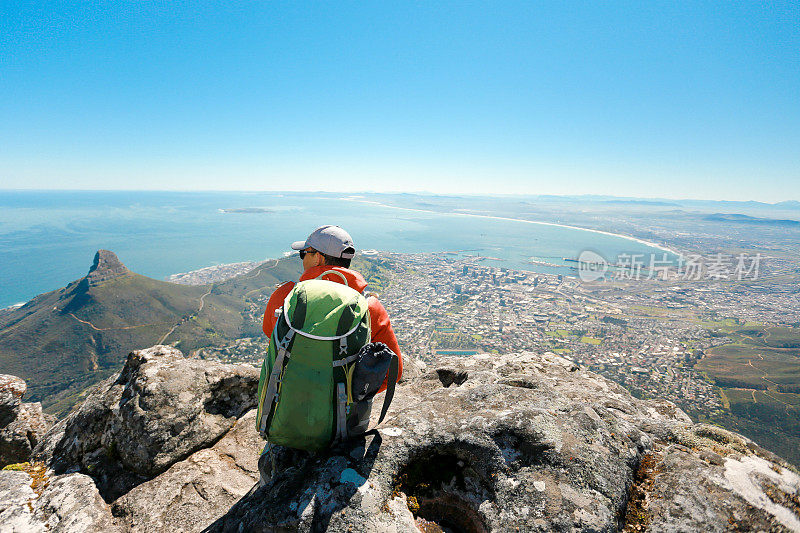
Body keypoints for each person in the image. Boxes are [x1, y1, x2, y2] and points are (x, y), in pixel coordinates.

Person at [262, 224, 403, 391]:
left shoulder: (284, 296)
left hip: (286, 406)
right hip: (344, 413)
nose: (302, 259)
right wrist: (350, 398)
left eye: (303, 253)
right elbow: (393, 372)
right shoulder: (370, 307)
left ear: (318, 258)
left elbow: (270, 334)